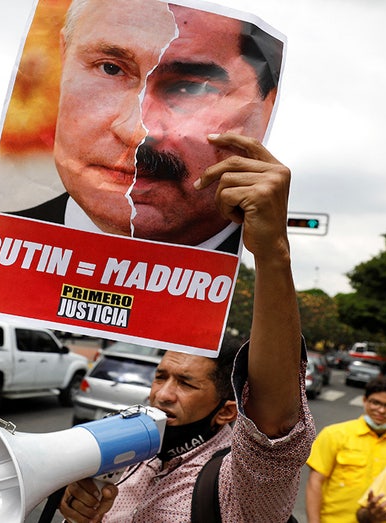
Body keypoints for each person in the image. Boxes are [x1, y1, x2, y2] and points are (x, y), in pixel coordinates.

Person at [56, 131, 314, 522]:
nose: (162, 394)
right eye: (161, 376)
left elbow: (275, 425)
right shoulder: (132, 460)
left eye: (187, 383)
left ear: (228, 411)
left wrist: (273, 251)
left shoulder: (234, 488)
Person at [14, 0, 283, 253]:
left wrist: (273, 257)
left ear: (267, 105)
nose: (136, 131)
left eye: (192, 87)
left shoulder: (265, 278)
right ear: (64, 59)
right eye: (110, 68)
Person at [306, 376, 386, 523]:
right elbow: (315, 483)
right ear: (365, 401)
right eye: (375, 402)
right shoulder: (334, 434)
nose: (381, 410)